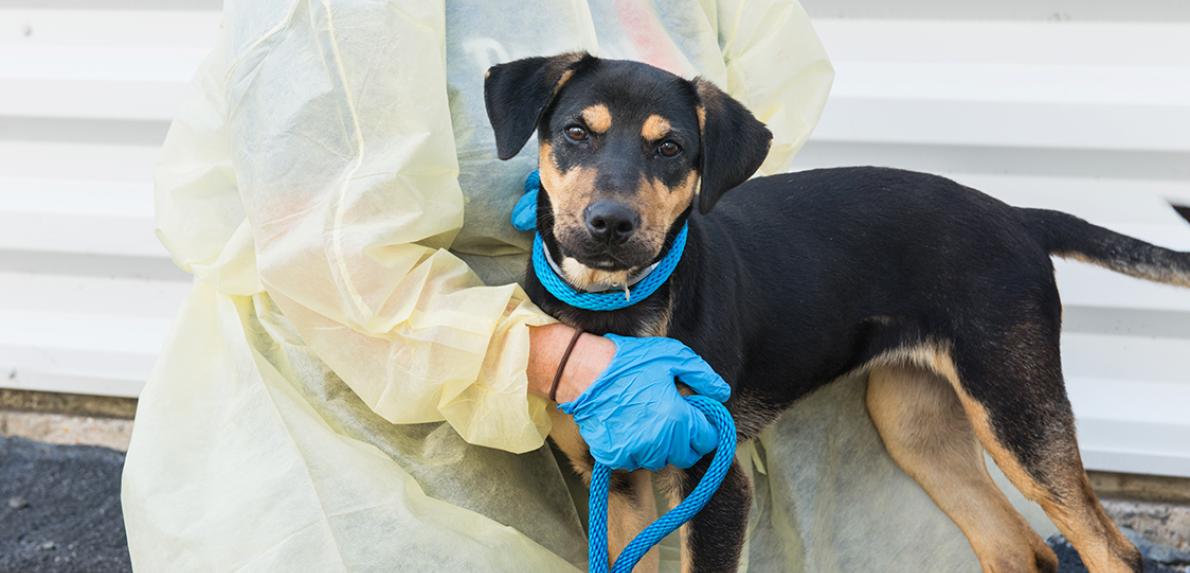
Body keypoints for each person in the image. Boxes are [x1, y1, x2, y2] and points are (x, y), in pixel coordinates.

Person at [122, 1, 1052, 571]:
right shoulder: (334, 16)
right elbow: (318, 251)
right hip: (384, 397)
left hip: (652, 318)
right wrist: (550, 355)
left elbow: (749, 121)